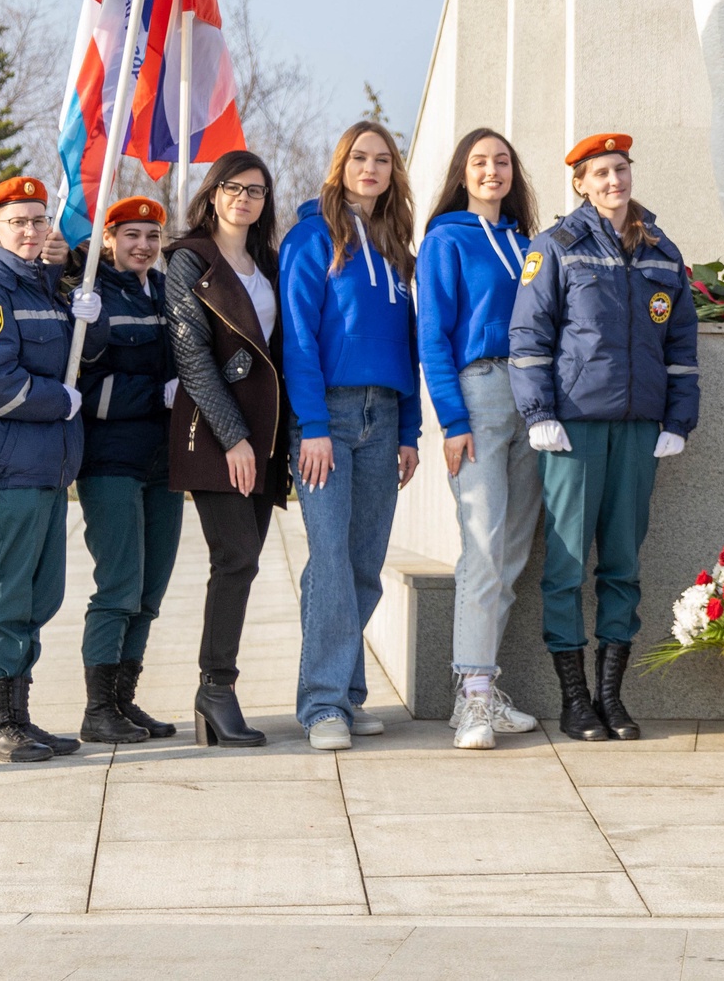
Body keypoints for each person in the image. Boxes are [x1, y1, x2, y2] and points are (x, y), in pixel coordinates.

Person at [510, 132, 701, 743]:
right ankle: (574, 700)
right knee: (566, 565)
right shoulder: (556, 248)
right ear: (581, 184)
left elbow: (681, 348)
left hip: (640, 429)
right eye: (601, 173)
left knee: (622, 563)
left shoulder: (661, 252)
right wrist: (538, 412)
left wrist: (677, 421)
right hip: (574, 428)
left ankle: (611, 699)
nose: (614, 181)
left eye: (621, 169)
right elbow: (529, 337)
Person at [0, 175, 98, 764]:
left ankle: (20, 716)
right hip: (8, 463)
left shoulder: (47, 288)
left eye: (38, 221)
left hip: (48, 466)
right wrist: (60, 402)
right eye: (18, 222)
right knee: (7, 597)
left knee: (41, 596)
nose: (31, 231)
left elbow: (79, 357)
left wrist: (92, 317)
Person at [281, 122, 423, 752]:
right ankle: (321, 706)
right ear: (340, 166)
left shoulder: (396, 245)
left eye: (382, 160)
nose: (371, 168)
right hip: (328, 420)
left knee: (364, 565)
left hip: (384, 416)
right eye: (360, 158)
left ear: (394, 172)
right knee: (331, 564)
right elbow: (299, 338)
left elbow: (408, 346)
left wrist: (411, 429)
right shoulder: (312, 235)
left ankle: (346, 692)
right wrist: (311, 426)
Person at [417, 127, 542, 749]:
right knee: (484, 546)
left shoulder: (529, 243)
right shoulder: (446, 239)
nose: (492, 171)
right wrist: (453, 421)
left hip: (535, 398)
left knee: (514, 549)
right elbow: (432, 335)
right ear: (462, 174)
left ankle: (484, 693)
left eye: (502, 162)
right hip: (481, 391)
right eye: (479, 162)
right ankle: (471, 699)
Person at [164, 150, 289, 747]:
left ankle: (216, 692)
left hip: (267, 433)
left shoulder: (268, 260)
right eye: (234, 187)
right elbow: (192, 359)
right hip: (216, 432)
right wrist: (234, 437)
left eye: (257, 191)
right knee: (234, 557)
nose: (245, 198)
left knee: (245, 561)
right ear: (213, 193)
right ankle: (216, 688)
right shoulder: (190, 259)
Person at [72, 195, 181, 745]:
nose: (143, 246)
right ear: (109, 239)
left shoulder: (164, 290)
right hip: (110, 459)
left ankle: (123, 700)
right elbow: (86, 390)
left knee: (151, 590)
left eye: (152, 237)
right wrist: (157, 394)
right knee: (119, 585)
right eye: (131, 235)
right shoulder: (92, 295)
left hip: (164, 462)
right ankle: (97, 710)